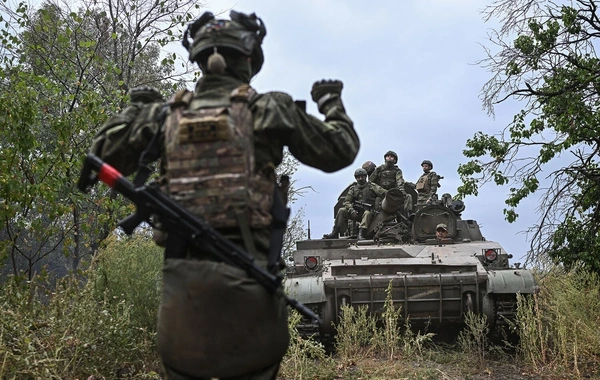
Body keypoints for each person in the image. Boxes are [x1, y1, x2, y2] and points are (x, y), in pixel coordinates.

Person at [90, 10, 359, 380]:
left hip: (183, 303)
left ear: (199, 58)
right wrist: (331, 103)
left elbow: (101, 153)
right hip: (252, 299)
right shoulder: (268, 108)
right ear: (249, 59)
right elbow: (339, 150)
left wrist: (136, 109)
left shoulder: (163, 117)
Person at [323, 168, 386, 240]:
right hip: (356, 213)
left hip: (370, 214)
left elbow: (384, 193)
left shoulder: (372, 186)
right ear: (356, 178)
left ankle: (361, 234)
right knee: (341, 210)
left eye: (362, 177)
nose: (360, 179)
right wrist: (351, 210)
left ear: (365, 177)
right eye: (358, 177)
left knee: (367, 213)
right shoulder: (353, 189)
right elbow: (347, 201)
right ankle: (335, 233)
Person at [369, 150, 410, 216]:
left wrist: (402, 192)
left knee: (408, 197)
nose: (389, 157)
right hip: (381, 194)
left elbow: (399, 181)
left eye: (392, 156)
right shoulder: (379, 169)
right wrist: (381, 191)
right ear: (385, 158)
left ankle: (406, 216)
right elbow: (370, 182)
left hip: (393, 194)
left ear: (395, 160)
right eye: (388, 156)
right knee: (377, 201)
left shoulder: (397, 171)